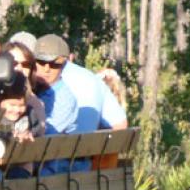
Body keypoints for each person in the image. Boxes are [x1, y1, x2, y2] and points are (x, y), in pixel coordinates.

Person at [30, 34, 126, 174]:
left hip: (59, 170)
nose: (46, 69)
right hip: (48, 164)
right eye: (40, 62)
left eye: (54, 64)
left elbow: (46, 139)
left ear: (65, 64)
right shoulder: (30, 89)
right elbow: (121, 124)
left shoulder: (63, 97)